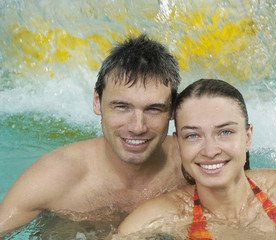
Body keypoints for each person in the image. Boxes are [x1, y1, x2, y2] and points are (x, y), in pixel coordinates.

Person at [116, 79, 276, 239]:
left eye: (225, 132)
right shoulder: (164, 215)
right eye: (193, 136)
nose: (210, 150)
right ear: (178, 144)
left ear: (248, 137)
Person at [0, 34, 187, 235]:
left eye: (153, 109)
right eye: (122, 107)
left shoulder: (192, 166)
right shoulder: (55, 177)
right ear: (97, 101)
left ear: (173, 109)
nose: (137, 127)